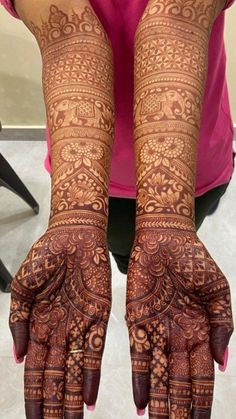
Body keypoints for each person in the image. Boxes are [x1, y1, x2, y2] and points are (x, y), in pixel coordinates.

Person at [1, 1, 234, 418]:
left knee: (144, 251)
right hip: (88, 172)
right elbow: (68, 31)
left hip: (189, 168)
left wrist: (167, 215)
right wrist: (77, 213)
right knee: (122, 247)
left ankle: (130, 257)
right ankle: (126, 256)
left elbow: (177, 19)